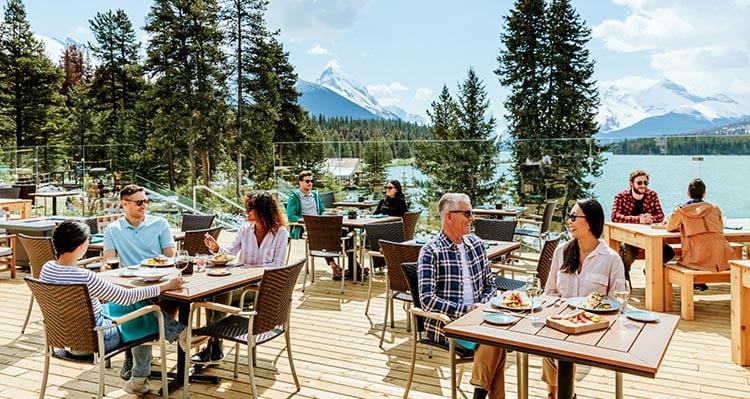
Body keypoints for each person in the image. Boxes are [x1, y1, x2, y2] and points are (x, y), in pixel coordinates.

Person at [38, 220, 187, 396]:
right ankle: (173, 341)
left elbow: (121, 298)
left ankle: (178, 334)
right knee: (144, 313)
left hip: (65, 339)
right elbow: (126, 297)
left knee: (137, 305)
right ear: (82, 245)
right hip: (97, 340)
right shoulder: (85, 277)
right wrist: (165, 286)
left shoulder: (46, 269)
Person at [418, 193, 506, 399]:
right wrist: (465, 311)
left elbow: (490, 284)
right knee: (495, 339)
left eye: (472, 212)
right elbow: (427, 300)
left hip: (480, 318)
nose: (472, 218)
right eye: (467, 213)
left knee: (497, 338)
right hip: (448, 325)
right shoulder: (431, 251)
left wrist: (481, 307)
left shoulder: (476, 245)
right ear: (449, 217)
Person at [194, 190, 289, 364]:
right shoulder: (245, 229)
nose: (246, 212)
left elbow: (278, 265)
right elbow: (229, 253)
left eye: (250, 208)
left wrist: (249, 270)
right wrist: (216, 248)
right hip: (239, 283)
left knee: (221, 292)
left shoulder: (280, 233)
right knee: (214, 291)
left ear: (263, 210)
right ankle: (214, 341)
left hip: (260, 287)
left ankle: (211, 339)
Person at [544, 198, 625, 399]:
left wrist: (590, 317)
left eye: (573, 217)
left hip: (594, 327)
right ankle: (560, 394)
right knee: (547, 343)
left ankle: (559, 394)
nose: (569, 221)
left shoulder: (611, 259)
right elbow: (550, 292)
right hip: (561, 321)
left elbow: (618, 303)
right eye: (569, 216)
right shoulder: (562, 251)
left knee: (563, 348)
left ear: (589, 222)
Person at [101, 184, 177, 380]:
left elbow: (171, 257)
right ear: (124, 204)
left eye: (145, 201)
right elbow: (108, 260)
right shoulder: (113, 229)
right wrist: (105, 267)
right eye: (139, 202)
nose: (144, 205)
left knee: (132, 303)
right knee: (132, 301)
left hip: (159, 282)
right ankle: (178, 333)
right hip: (131, 283)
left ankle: (133, 357)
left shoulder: (160, 223)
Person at [663, 178, 734, 291]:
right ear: (704, 194)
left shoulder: (681, 210)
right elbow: (719, 228)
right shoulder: (714, 209)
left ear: (688, 194)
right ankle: (699, 283)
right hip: (722, 257)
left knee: (674, 262)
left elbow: (670, 227)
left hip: (696, 258)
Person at [287, 170, 354, 280]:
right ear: (300, 182)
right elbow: (291, 217)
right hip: (305, 228)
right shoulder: (294, 197)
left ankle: (353, 267)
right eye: (307, 181)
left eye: (311, 181)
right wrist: (308, 221)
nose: (310, 183)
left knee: (345, 233)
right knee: (323, 237)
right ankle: (335, 267)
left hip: (321, 225)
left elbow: (322, 210)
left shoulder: (315, 195)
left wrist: (323, 217)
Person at [611, 169, 674, 282]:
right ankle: (624, 274)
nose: (643, 186)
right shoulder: (621, 197)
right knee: (629, 254)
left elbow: (660, 215)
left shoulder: (652, 195)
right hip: (630, 237)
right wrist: (638, 219)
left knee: (669, 252)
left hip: (650, 236)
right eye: (639, 183)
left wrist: (650, 219)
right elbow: (615, 216)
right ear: (631, 183)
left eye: (645, 183)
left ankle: (649, 269)